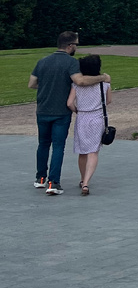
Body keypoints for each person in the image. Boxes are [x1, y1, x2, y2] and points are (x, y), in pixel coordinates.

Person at [28, 31, 109, 195]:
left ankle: (40, 178)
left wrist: (47, 87)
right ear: (70, 45)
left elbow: (32, 83)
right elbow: (80, 81)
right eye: (76, 45)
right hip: (60, 111)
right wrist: (102, 78)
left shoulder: (42, 61)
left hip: (42, 108)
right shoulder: (70, 63)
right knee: (58, 146)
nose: (76, 48)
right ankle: (53, 182)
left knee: (43, 144)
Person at [67, 54, 111, 196]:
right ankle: (86, 182)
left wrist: (77, 111)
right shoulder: (104, 84)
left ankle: (81, 178)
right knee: (93, 151)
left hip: (82, 117)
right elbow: (108, 101)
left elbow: (69, 103)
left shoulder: (76, 85)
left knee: (82, 151)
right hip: (97, 116)